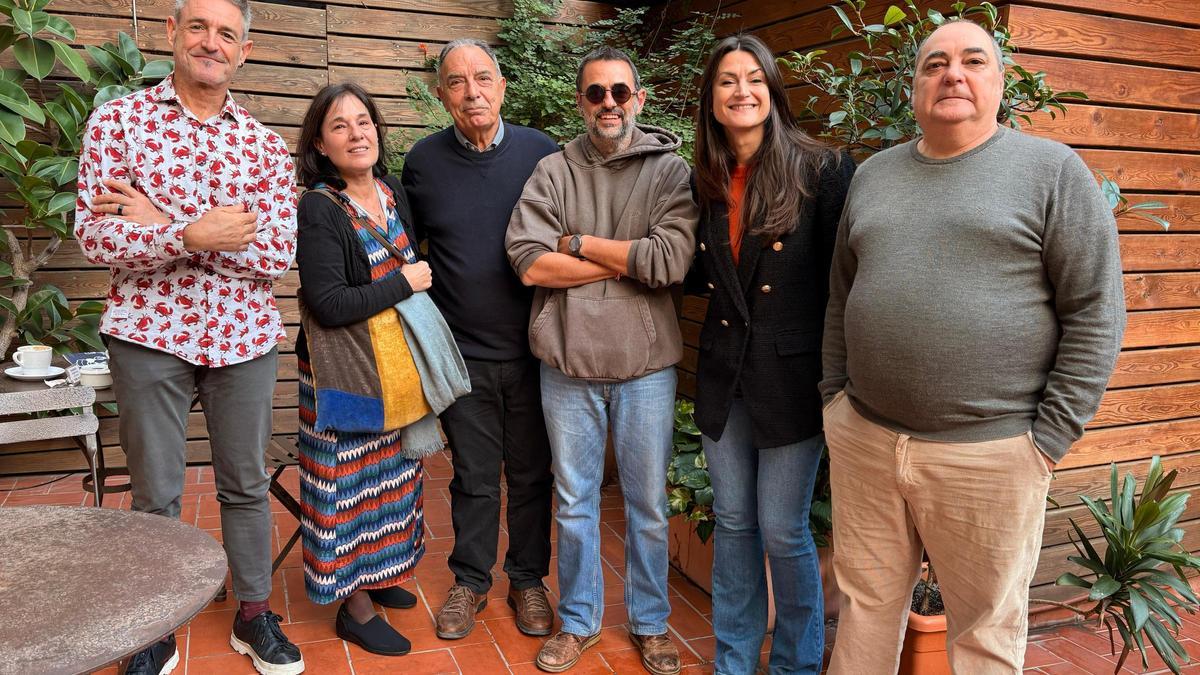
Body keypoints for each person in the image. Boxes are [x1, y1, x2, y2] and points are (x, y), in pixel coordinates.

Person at [820, 19, 1125, 674]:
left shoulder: (1052, 172)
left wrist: (1045, 440)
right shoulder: (873, 176)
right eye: (934, 63)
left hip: (993, 454)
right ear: (913, 88)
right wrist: (835, 400)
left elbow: (1096, 309)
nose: (951, 73)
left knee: (985, 635)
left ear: (999, 80)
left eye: (971, 60)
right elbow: (843, 296)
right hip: (867, 442)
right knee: (863, 608)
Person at [74, 0, 304, 673]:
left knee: (245, 482)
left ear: (244, 51)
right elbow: (95, 234)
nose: (212, 42)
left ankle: (255, 612)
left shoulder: (261, 144)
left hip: (245, 338)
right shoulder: (118, 122)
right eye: (198, 27)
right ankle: (154, 621)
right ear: (171, 33)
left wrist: (165, 221)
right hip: (148, 334)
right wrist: (196, 232)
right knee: (157, 491)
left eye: (227, 33)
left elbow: (275, 253)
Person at [506, 46, 699, 675]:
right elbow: (530, 260)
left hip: (646, 367)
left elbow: (670, 261)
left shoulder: (670, 172)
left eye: (619, 91)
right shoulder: (553, 171)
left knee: (646, 504)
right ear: (580, 102)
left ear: (638, 99)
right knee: (575, 502)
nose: (608, 103)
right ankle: (580, 621)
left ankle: (649, 623)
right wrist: (627, 257)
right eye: (595, 93)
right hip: (566, 366)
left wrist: (582, 245)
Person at [689, 34, 854, 674]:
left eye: (754, 78)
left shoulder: (824, 169)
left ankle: (794, 664)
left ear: (773, 90)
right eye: (727, 80)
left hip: (793, 379)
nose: (741, 92)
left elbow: (849, 278)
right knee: (732, 524)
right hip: (724, 378)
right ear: (712, 98)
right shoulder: (703, 176)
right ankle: (733, 661)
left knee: (783, 530)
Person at [401, 38, 560, 641]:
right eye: (457, 81)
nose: (473, 92)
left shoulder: (542, 154)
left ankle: (526, 580)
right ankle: (470, 581)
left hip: (536, 353)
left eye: (483, 78)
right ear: (441, 94)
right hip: (461, 358)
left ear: (502, 85)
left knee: (530, 474)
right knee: (471, 477)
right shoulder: (423, 162)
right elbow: (409, 251)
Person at [293, 82, 435, 657]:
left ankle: (377, 576)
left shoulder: (392, 189)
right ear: (321, 145)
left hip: (396, 365)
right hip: (343, 375)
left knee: (393, 480)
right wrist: (404, 282)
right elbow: (327, 303)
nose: (357, 134)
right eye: (340, 126)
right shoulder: (319, 207)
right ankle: (351, 607)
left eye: (364, 121)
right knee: (344, 489)